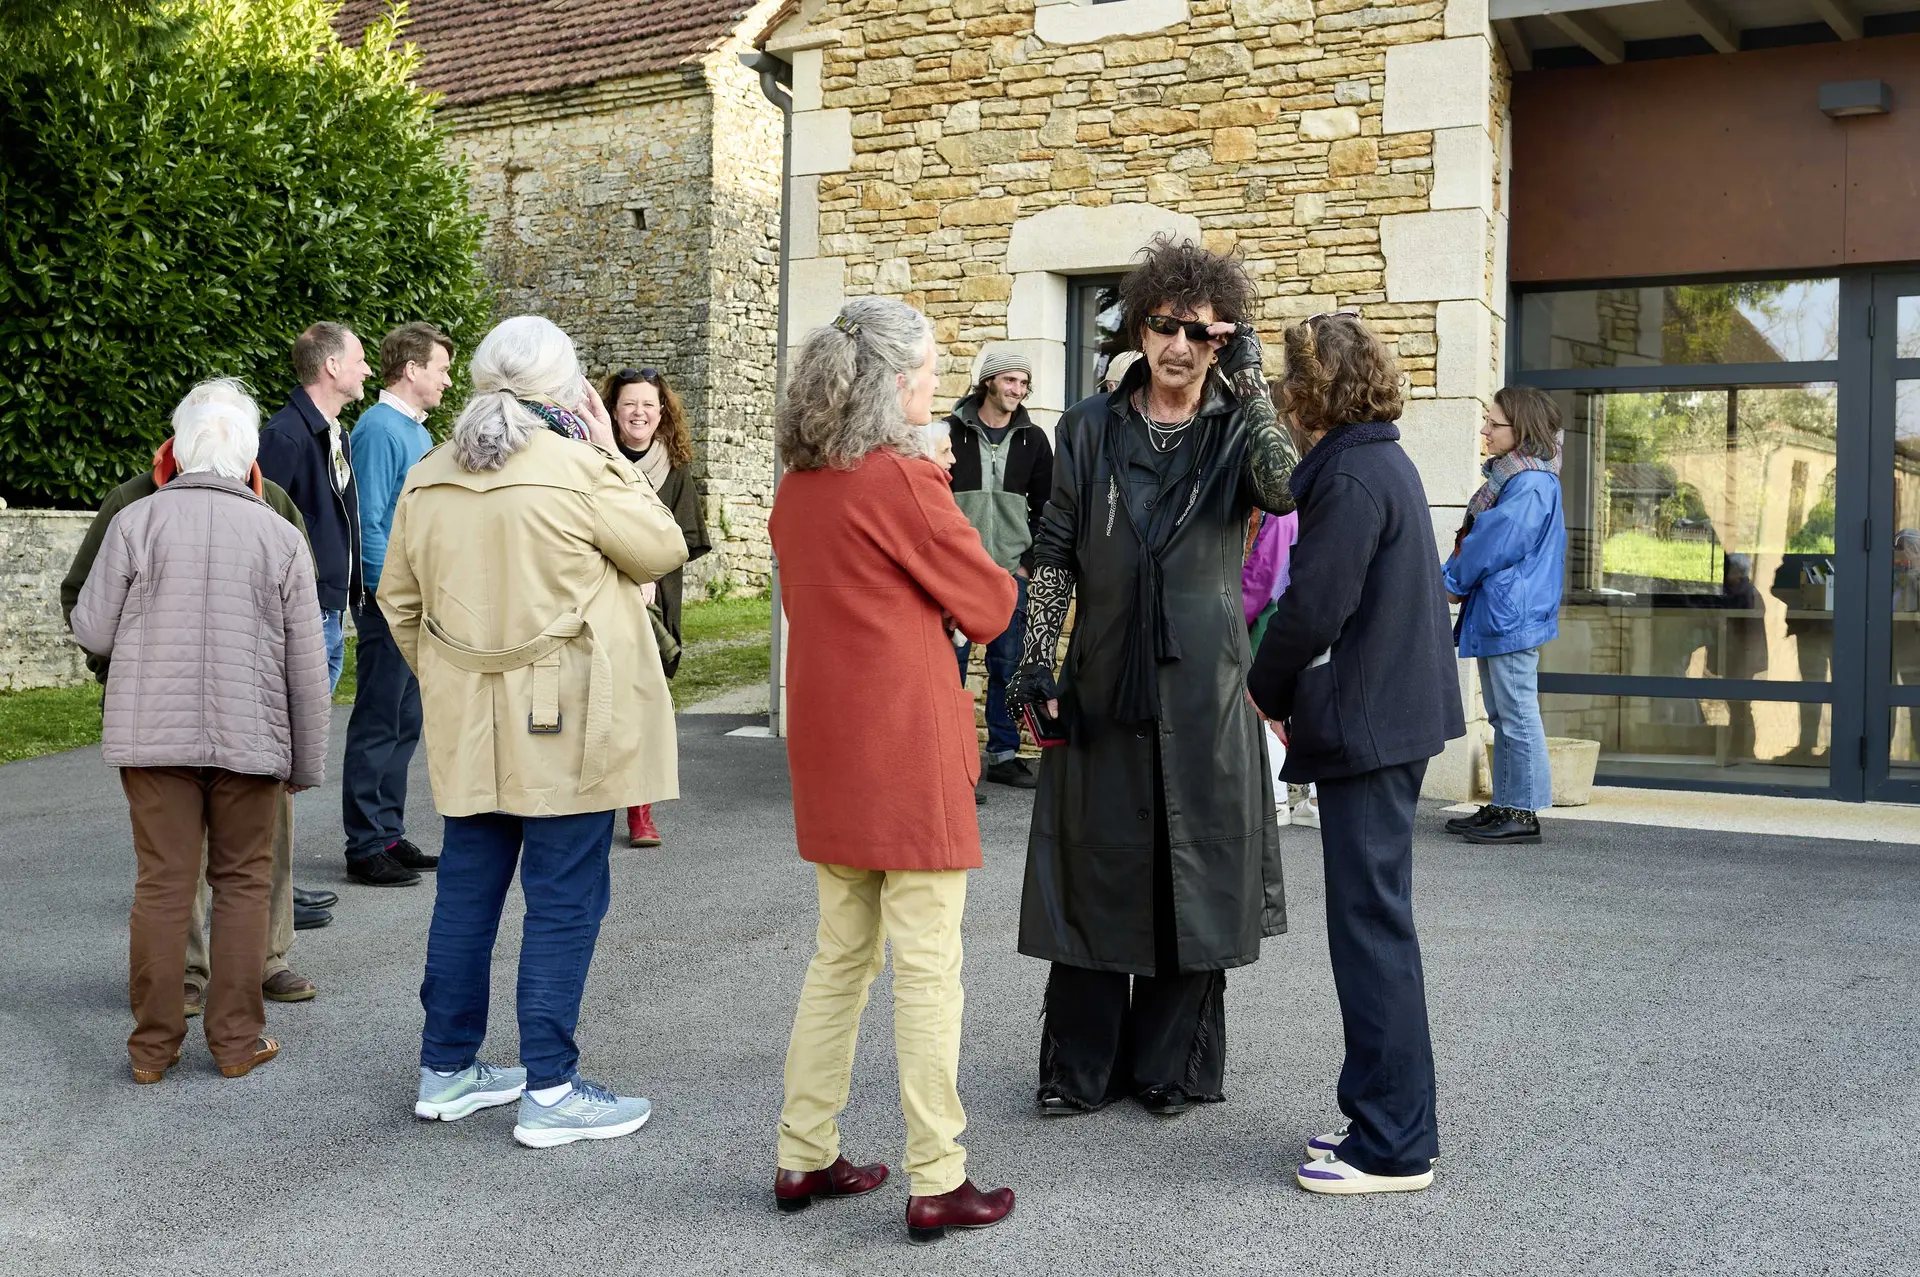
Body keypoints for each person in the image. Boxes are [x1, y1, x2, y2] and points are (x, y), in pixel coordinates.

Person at [1006, 236, 1298, 1118]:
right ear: (1140, 324)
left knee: (1193, 874)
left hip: (1206, 687)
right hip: (1102, 680)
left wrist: (1250, 389)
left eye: (1206, 334)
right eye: (1169, 326)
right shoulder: (1089, 427)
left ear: (1225, 343)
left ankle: (1171, 1067)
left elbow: (1284, 493)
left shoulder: (1239, 424)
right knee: (1096, 868)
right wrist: (1036, 656)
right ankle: (1081, 1069)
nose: (1182, 346)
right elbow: (1056, 550)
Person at [379, 315, 687, 1146]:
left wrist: (452, 676)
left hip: (470, 717)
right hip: (568, 716)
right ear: (567, 388)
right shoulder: (580, 465)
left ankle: (445, 1067)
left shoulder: (431, 471)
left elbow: (398, 603)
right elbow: (662, 547)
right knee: (563, 897)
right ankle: (549, 1087)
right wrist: (603, 448)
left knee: (468, 890)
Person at [768, 298, 1017, 1244]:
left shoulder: (801, 487)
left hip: (833, 748)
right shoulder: (904, 481)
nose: (936, 386)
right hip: (906, 750)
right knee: (927, 969)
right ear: (891, 382)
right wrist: (934, 497)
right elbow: (991, 601)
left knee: (839, 961)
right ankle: (938, 1174)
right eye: (926, 371)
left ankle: (804, 1148)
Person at [1246, 312, 1464, 1196]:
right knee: (1377, 926)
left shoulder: (1351, 474)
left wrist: (1263, 684)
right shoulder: (1378, 460)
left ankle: (1392, 1145)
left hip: (1373, 729)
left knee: (1371, 930)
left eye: (1289, 382)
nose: (1282, 396)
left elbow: (1311, 607)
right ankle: (1390, 1114)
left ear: (1312, 391)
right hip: (1388, 721)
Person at [70, 379, 331, 1084]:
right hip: (251, 743)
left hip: (153, 739)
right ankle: (237, 1042)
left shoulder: (136, 522)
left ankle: (151, 1050)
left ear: (179, 451)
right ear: (247, 455)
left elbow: (90, 626)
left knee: (162, 883)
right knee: (244, 884)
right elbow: (308, 670)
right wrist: (305, 762)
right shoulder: (279, 533)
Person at [341, 323, 453, 887]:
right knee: (379, 718)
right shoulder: (380, 429)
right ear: (412, 370)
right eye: (440, 368)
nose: (446, 379)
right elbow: (371, 523)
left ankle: (387, 830)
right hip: (391, 601)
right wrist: (394, 596)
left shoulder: (410, 429)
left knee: (406, 717)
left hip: (415, 600)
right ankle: (364, 844)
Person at [1441, 386, 1568, 845]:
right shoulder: (1515, 477)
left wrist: (1450, 581)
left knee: (1516, 714)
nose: (1484, 430)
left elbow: (1493, 541)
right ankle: (1506, 805)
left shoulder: (1530, 483)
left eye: (1493, 423)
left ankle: (1523, 812)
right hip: (1503, 609)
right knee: (1503, 714)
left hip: (1511, 612)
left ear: (1521, 428)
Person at [600, 366, 712, 848]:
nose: (639, 412)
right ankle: (594, 810)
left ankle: (640, 815)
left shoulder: (677, 469)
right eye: (629, 404)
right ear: (614, 411)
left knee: (647, 707)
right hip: (603, 598)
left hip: (655, 603)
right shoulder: (594, 461)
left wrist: (650, 571)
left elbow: (689, 538)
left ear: (661, 411)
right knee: (603, 706)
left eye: (648, 404)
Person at [944, 349, 1053, 790]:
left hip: (1009, 576)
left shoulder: (1034, 440)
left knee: (1007, 666)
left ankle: (1005, 755)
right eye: (1010, 380)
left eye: (1024, 384)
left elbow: (1050, 509)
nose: (1018, 390)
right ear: (988, 382)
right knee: (950, 670)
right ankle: (950, 764)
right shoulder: (948, 433)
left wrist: (1027, 565)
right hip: (955, 576)